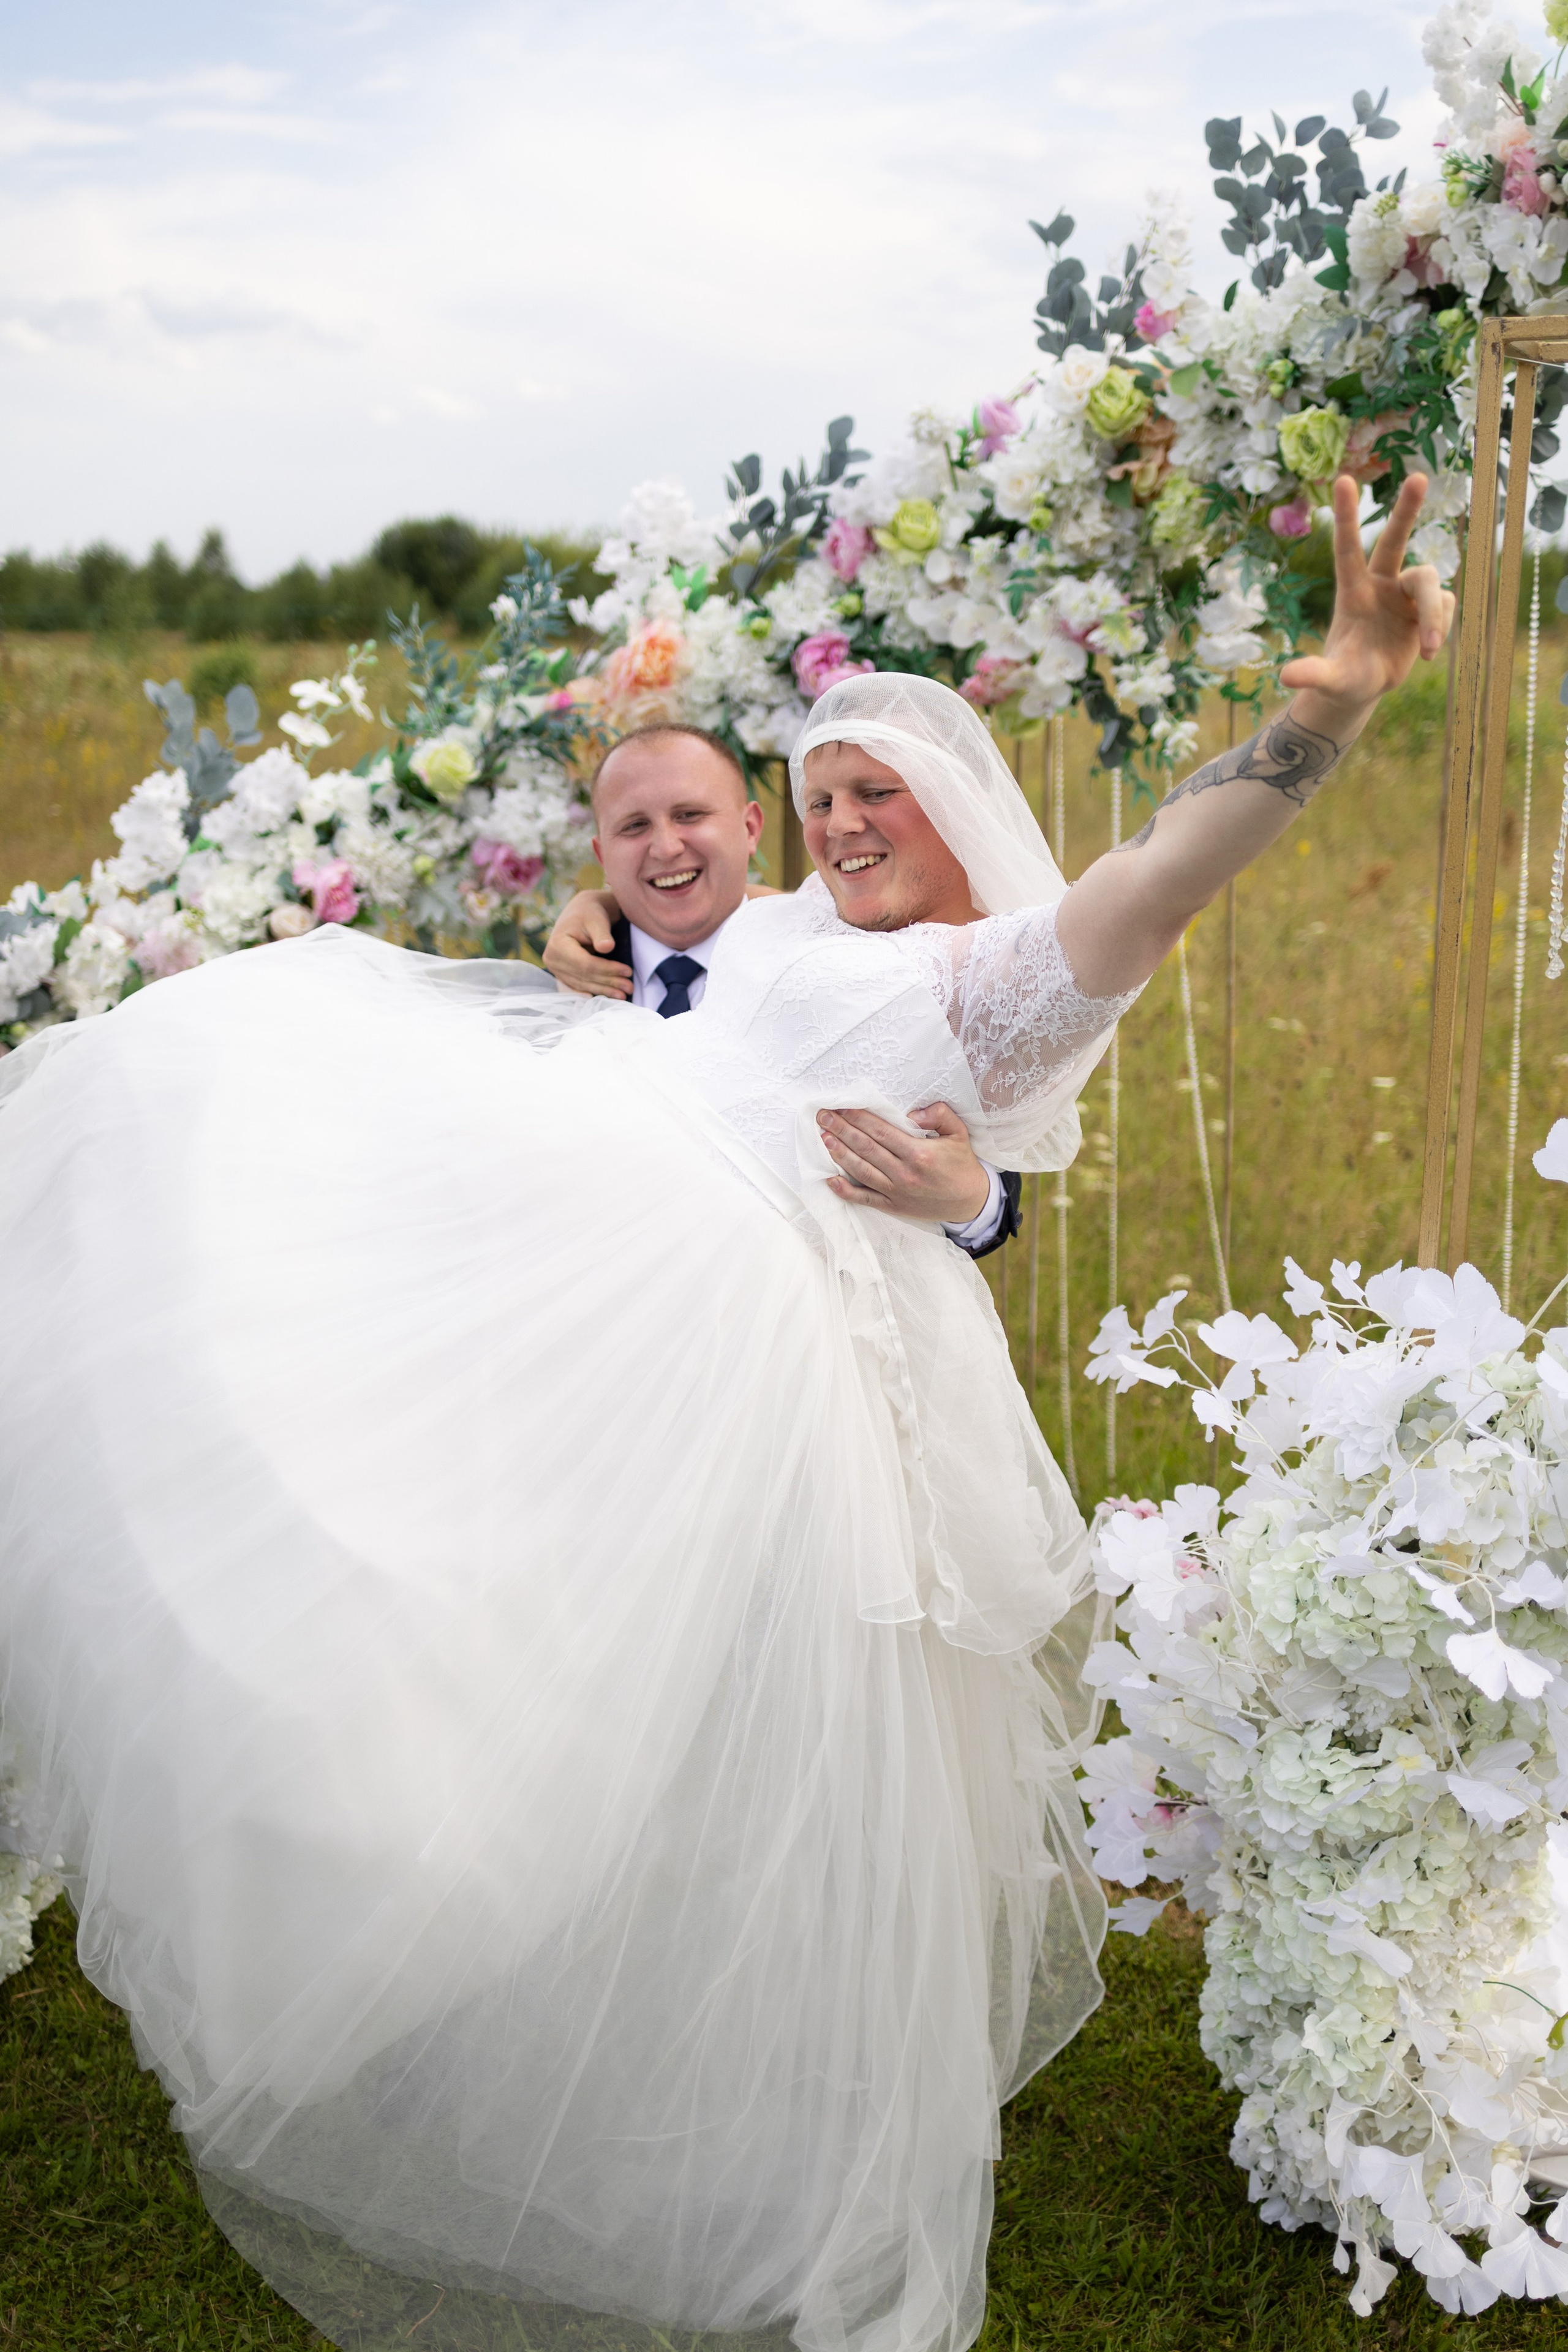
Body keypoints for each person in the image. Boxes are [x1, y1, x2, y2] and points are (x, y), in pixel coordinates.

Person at [0, 474, 1450, 2352]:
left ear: (960, 821)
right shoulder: (759, 929)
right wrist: (588, 943)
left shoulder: (990, 981)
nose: (844, 816)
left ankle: (721, 2111)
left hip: (766, 1369)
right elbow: (672, 968)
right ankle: (411, 1892)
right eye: (823, 791)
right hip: (594, 1317)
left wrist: (1326, 699)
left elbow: (1161, 869)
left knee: (762, 1751)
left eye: (882, 793)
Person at [551, 720, 1022, 1257]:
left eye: (690, 815)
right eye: (633, 827)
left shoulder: (852, 964)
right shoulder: (562, 985)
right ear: (601, 853)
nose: (665, 846)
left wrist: (971, 1202)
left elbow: (983, 1177)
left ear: (752, 827)